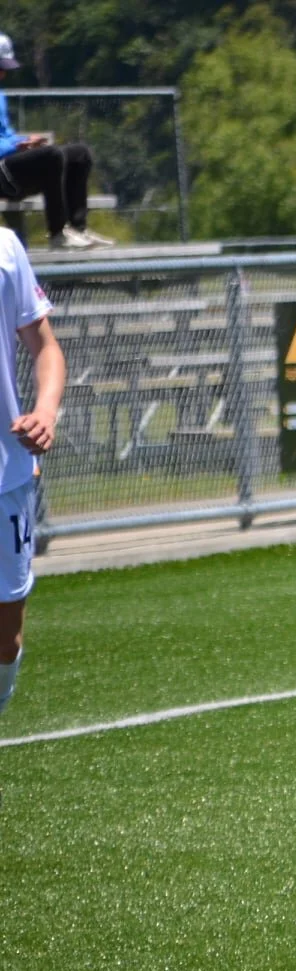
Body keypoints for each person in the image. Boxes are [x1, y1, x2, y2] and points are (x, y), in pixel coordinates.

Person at [0, 223, 65, 714]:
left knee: (6, 638)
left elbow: (46, 349)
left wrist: (44, 412)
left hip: (7, 476)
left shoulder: (5, 247)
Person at [0, 33, 114, 251]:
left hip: (8, 168)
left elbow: (4, 135)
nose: (3, 74)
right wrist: (16, 146)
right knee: (52, 155)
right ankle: (57, 234)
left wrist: (25, 142)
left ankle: (78, 228)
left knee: (79, 153)